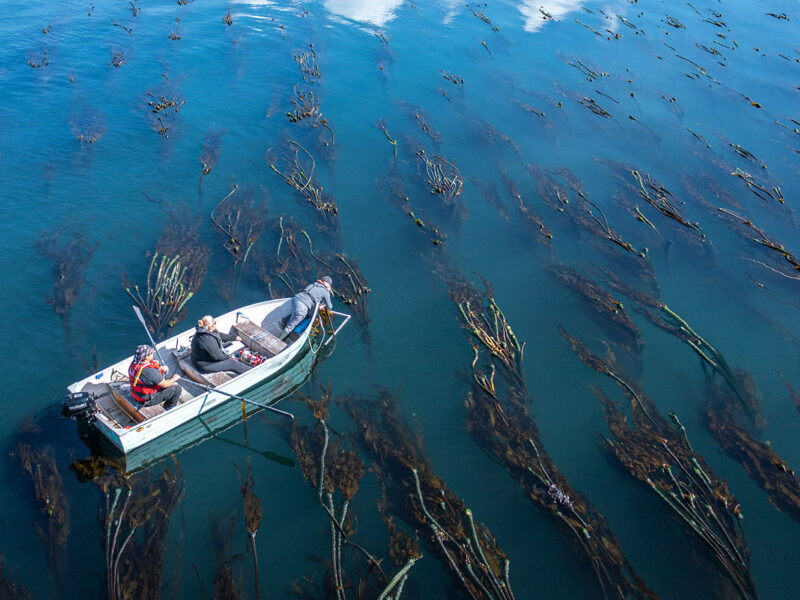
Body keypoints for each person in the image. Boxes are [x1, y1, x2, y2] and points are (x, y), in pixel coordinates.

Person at [128, 345, 182, 410]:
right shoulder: (149, 371)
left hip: (136, 394)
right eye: (151, 353)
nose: (153, 353)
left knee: (166, 379)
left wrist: (160, 368)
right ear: (146, 357)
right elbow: (165, 384)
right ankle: (169, 408)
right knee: (177, 389)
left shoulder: (135, 363)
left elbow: (149, 371)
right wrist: (175, 378)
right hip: (145, 400)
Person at [280, 275, 333, 340]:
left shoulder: (314, 284)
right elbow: (330, 306)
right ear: (328, 285)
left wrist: (318, 305)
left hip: (295, 299)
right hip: (302, 306)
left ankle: (284, 321)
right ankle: (279, 340)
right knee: (291, 326)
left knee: (296, 315)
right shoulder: (325, 292)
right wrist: (322, 305)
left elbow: (310, 296)